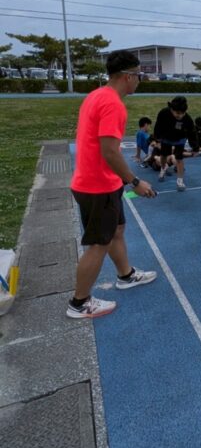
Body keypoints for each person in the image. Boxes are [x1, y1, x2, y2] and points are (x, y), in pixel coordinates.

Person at [67, 49, 157, 320]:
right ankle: (79, 303)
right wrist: (135, 181)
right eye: (139, 75)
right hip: (97, 186)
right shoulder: (113, 104)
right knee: (98, 243)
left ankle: (126, 275)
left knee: (117, 229)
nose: (139, 80)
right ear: (128, 76)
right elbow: (109, 151)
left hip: (98, 181)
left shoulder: (97, 95)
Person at [153, 96, 199, 191]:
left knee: (179, 158)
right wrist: (157, 138)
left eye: (182, 113)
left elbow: (192, 133)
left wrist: (195, 148)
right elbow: (158, 126)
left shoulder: (187, 119)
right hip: (166, 137)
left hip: (180, 138)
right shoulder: (163, 113)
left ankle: (180, 181)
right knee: (164, 155)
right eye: (177, 113)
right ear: (171, 109)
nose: (180, 115)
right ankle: (163, 168)